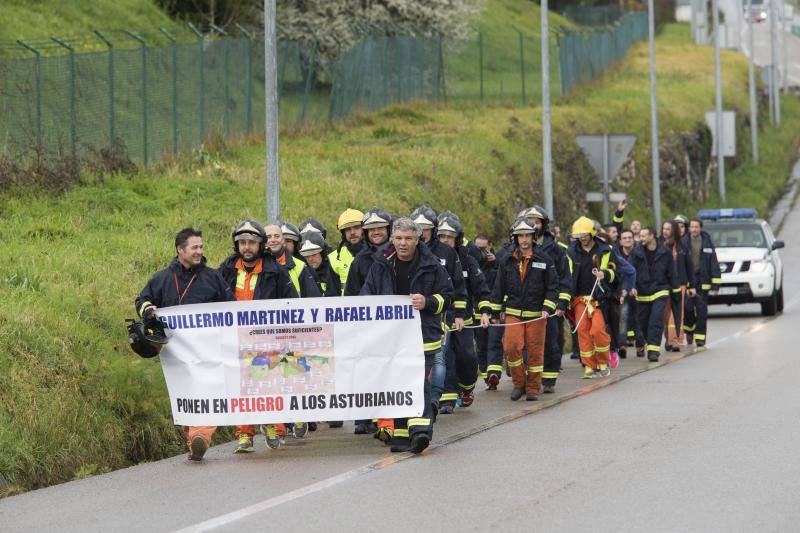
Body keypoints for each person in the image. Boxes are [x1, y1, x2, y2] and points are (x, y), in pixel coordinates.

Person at [135, 227, 234, 461]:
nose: (199, 251)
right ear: (180, 250)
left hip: (209, 351)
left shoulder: (213, 277)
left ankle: (202, 434)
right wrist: (148, 309)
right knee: (185, 394)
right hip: (175, 353)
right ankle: (192, 439)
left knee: (209, 391)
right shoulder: (161, 279)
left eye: (201, 247)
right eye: (194, 247)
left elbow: (232, 308)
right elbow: (142, 300)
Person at [361, 217, 454, 453]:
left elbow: (447, 296)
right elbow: (366, 296)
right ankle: (402, 435)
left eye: (409, 239)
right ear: (392, 239)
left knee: (418, 381)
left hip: (424, 335)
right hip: (392, 338)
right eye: (399, 238)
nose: (403, 243)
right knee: (397, 382)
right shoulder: (381, 263)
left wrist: (428, 301)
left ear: (418, 240)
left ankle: (421, 430)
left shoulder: (432, 265)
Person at [218, 220, 299, 451]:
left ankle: (272, 424)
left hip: (268, 339)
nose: (247, 247)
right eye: (242, 242)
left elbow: (292, 304)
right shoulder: (226, 269)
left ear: (261, 244)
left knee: (269, 384)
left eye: (252, 242)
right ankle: (244, 434)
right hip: (236, 338)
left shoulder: (276, 271)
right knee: (241, 386)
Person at [486, 217, 557, 400]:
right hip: (513, 312)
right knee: (511, 348)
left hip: (536, 314)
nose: (524, 239)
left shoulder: (545, 259)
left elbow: (552, 287)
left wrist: (547, 308)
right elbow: (498, 287)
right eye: (520, 236)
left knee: (535, 352)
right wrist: (494, 312)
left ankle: (533, 388)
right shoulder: (507, 259)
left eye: (527, 235)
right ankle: (519, 384)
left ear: (533, 237)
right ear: (515, 238)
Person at [409, 205, 468, 410]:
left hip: (441, 314)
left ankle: (434, 399)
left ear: (433, 230)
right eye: (418, 228)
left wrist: (459, 314)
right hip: (410, 317)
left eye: (426, 229)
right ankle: (422, 398)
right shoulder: (407, 252)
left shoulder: (446, 253)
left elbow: (457, 285)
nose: (422, 232)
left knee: (439, 357)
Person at [437, 212, 491, 412]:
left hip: (464, 321)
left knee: (467, 357)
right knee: (446, 359)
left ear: (457, 238)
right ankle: (448, 400)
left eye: (448, 237)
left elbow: (481, 289)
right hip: (443, 321)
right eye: (441, 236)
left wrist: (485, 311)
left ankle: (467, 388)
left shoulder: (468, 261)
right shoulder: (433, 260)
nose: (444, 241)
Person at [523, 206, 570, 394]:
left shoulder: (556, 251)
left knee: (551, 341)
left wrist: (561, 304)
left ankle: (549, 377)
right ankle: (530, 377)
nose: (533, 225)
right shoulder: (519, 248)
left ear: (543, 224)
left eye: (537, 221)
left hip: (551, 305)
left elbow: (565, 278)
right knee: (527, 343)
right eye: (530, 221)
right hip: (527, 304)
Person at [566, 217, 616, 379]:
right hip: (579, 299)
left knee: (598, 330)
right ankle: (589, 365)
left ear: (592, 233)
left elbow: (616, 272)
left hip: (599, 299)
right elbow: (567, 275)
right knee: (583, 332)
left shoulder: (605, 250)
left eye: (585, 234)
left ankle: (603, 361)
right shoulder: (571, 251)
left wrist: (605, 274)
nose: (582, 238)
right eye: (579, 235)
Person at [628, 227, 679, 362]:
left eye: (644, 236)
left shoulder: (665, 252)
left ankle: (653, 351)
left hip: (660, 291)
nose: (641, 238)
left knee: (656, 321)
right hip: (642, 293)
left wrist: (676, 290)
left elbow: (672, 273)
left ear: (652, 236)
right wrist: (631, 286)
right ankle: (649, 342)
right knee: (643, 323)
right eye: (640, 236)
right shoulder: (636, 252)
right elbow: (630, 271)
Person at [683, 217, 721, 347]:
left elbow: (713, 264)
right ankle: (689, 331)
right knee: (687, 308)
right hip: (688, 280)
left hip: (702, 281)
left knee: (702, 311)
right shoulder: (683, 242)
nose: (694, 229)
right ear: (689, 228)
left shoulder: (707, 243)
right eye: (692, 227)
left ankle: (700, 338)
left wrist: (715, 285)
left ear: (700, 228)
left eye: (696, 227)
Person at [473, 233, 503, 387]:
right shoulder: (472, 264)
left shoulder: (498, 264)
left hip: (494, 311)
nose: (481, 252)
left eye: (484, 249)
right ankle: (486, 376)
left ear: (490, 246)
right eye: (477, 248)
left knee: (494, 343)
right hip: (476, 311)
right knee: (481, 346)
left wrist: (495, 263)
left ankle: (494, 374)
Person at [661, 220, 695, 351]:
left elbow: (689, 267)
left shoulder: (683, 247)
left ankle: (675, 341)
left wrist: (691, 285)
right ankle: (669, 338)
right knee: (665, 314)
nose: (665, 231)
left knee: (676, 314)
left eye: (668, 229)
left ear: (674, 230)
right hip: (663, 285)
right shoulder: (660, 245)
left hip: (680, 284)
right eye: (664, 228)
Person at [265, 224, 322, 298]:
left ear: (283, 241)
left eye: (277, 236)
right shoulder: (253, 264)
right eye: (268, 237)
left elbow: (314, 301)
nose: (272, 240)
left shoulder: (300, 266)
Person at [329, 208, 367, 294]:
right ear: (343, 233)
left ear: (364, 229)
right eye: (348, 229)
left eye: (356, 227)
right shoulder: (333, 258)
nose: (352, 232)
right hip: (347, 306)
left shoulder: (375, 253)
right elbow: (332, 294)